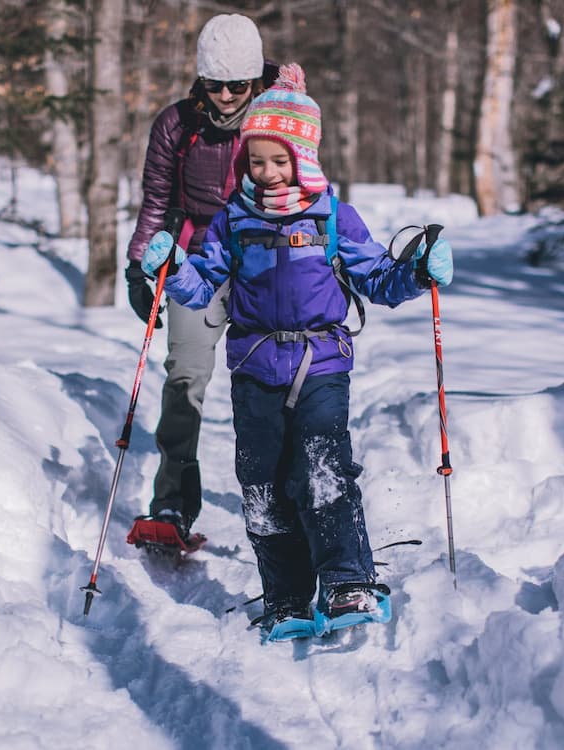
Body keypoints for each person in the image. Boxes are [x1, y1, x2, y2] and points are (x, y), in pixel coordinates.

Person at [139, 64, 456, 639]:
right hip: (255, 366)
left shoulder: (334, 217)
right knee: (260, 481)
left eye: (278, 160)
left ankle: (347, 581)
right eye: (256, 161)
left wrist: (418, 272)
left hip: (321, 363)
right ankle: (285, 596)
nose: (266, 172)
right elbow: (200, 284)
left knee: (323, 469)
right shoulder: (235, 220)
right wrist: (172, 267)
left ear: (302, 157)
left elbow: (380, 281)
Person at [125, 14, 277, 544]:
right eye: (216, 84)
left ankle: (282, 500)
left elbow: (306, 193)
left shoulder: (279, 118)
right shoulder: (177, 124)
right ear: (201, 80)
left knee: (272, 385)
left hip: (264, 264)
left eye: (239, 84)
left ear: (256, 79)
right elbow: (156, 200)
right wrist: (138, 265)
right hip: (194, 265)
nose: (229, 95)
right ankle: (171, 506)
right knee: (185, 378)